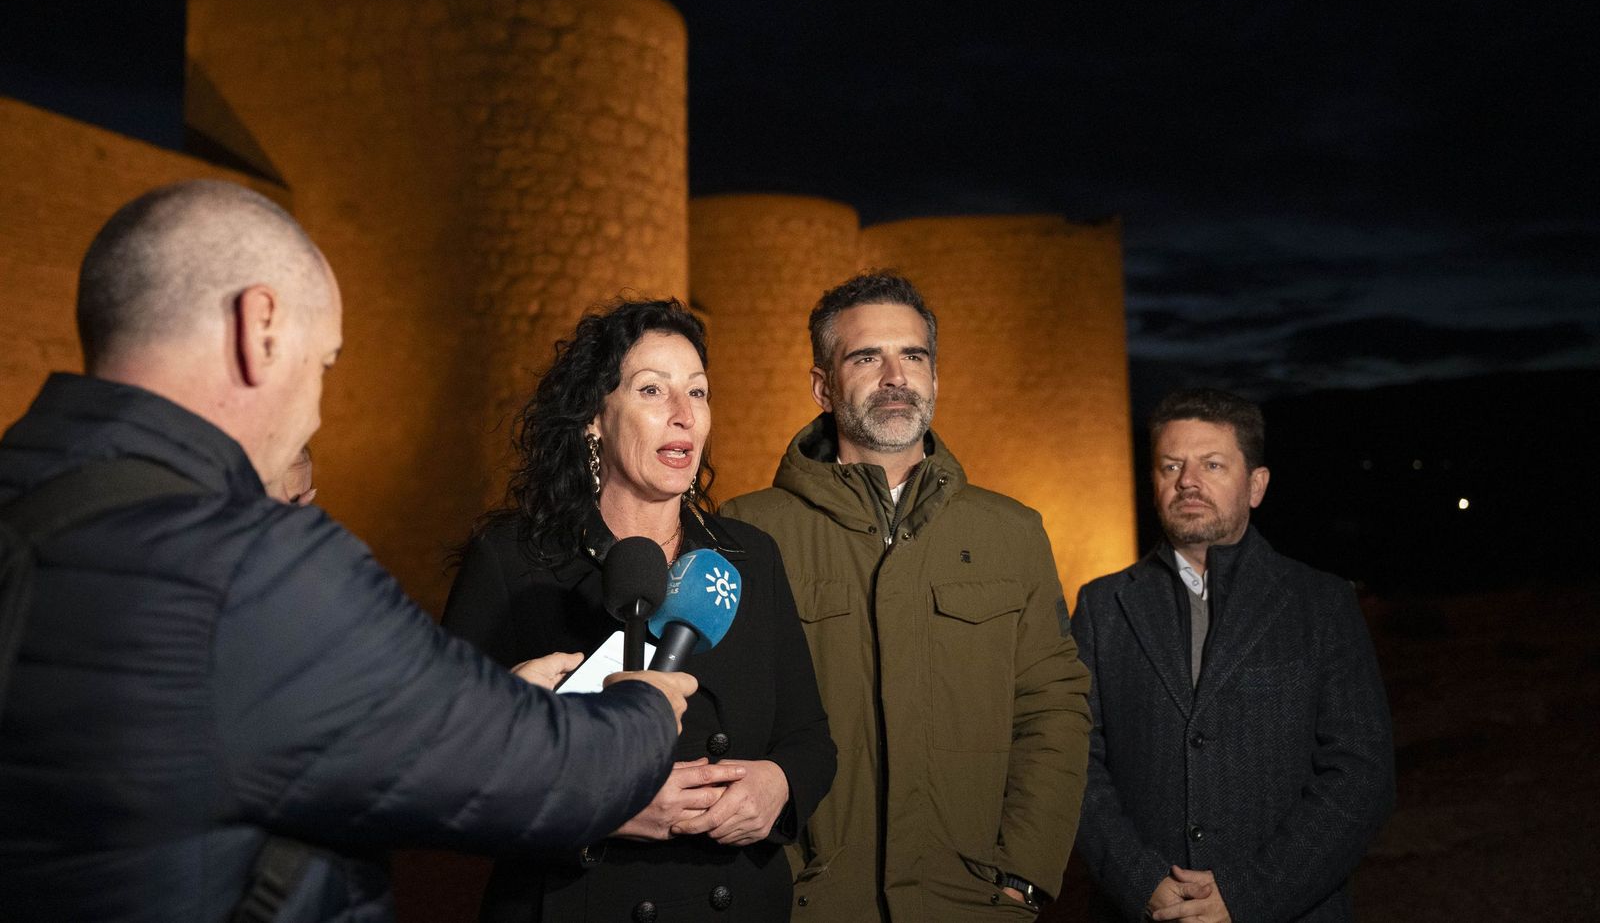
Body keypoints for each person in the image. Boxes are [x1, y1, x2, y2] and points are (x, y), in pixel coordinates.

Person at [0, 180, 696, 923]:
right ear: (259, 326)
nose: (318, 409)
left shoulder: (31, 499)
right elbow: (550, 774)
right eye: (325, 362)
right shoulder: (255, 569)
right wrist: (644, 709)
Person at [443, 298, 836, 923]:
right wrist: (599, 808)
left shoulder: (749, 557)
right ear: (595, 418)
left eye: (698, 393)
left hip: (733, 898)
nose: (684, 415)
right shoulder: (512, 561)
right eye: (653, 390)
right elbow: (448, 773)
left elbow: (810, 737)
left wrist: (778, 787)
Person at [721, 272, 1092, 920]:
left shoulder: (1012, 531)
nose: (896, 375)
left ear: (936, 377)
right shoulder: (748, 531)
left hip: (972, 905)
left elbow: (1053, 710)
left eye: (913, 355)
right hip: (809, 906)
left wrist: (1021, 876)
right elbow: (721, 721)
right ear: (822, 385)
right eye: (867, 357)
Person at [1072, 388, 1395, 923]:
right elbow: (1075, 761)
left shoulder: (1320, 602)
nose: (1187, 481)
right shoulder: (1103, 606)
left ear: (1256, 486)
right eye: (1170, 465)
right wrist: (1139, 880)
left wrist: (1250, 894)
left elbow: (1362, 773)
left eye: (1212, 464)